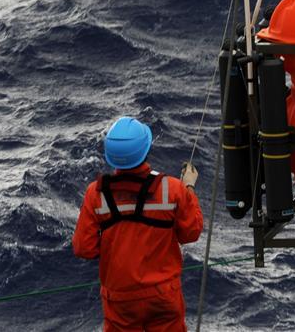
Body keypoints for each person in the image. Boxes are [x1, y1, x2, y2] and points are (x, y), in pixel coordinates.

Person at [73, 117, 203, 332]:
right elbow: (190, 233)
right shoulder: (171, 188)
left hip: (120, 299)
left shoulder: (95, 194)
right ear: (145, 149)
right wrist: (188, 187)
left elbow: (83, 248)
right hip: (163, 294)